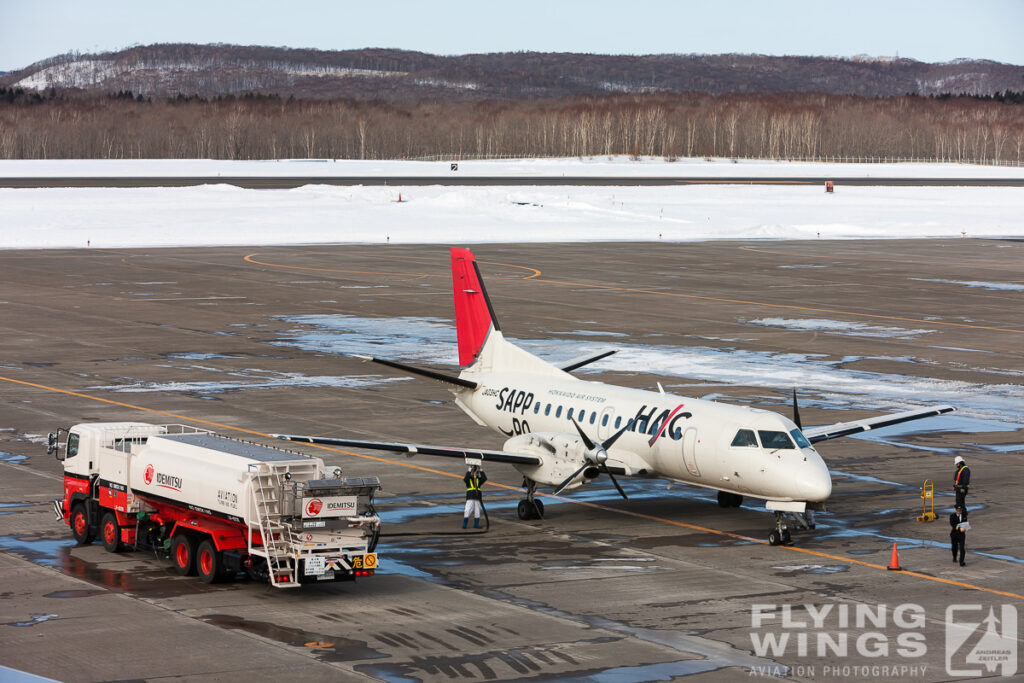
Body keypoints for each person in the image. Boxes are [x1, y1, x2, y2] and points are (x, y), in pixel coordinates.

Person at [463, 464, 487, 529]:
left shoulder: (478, 479)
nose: (474, 472)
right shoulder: (468, 480)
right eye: (473, 471)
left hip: (477, 496)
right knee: (468, 509)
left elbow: (484, 478)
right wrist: (469, 470)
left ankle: (476, 524)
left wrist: (481, 470)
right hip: (470, 496)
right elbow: (465, 478)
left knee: (477, 510)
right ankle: (465, 523)